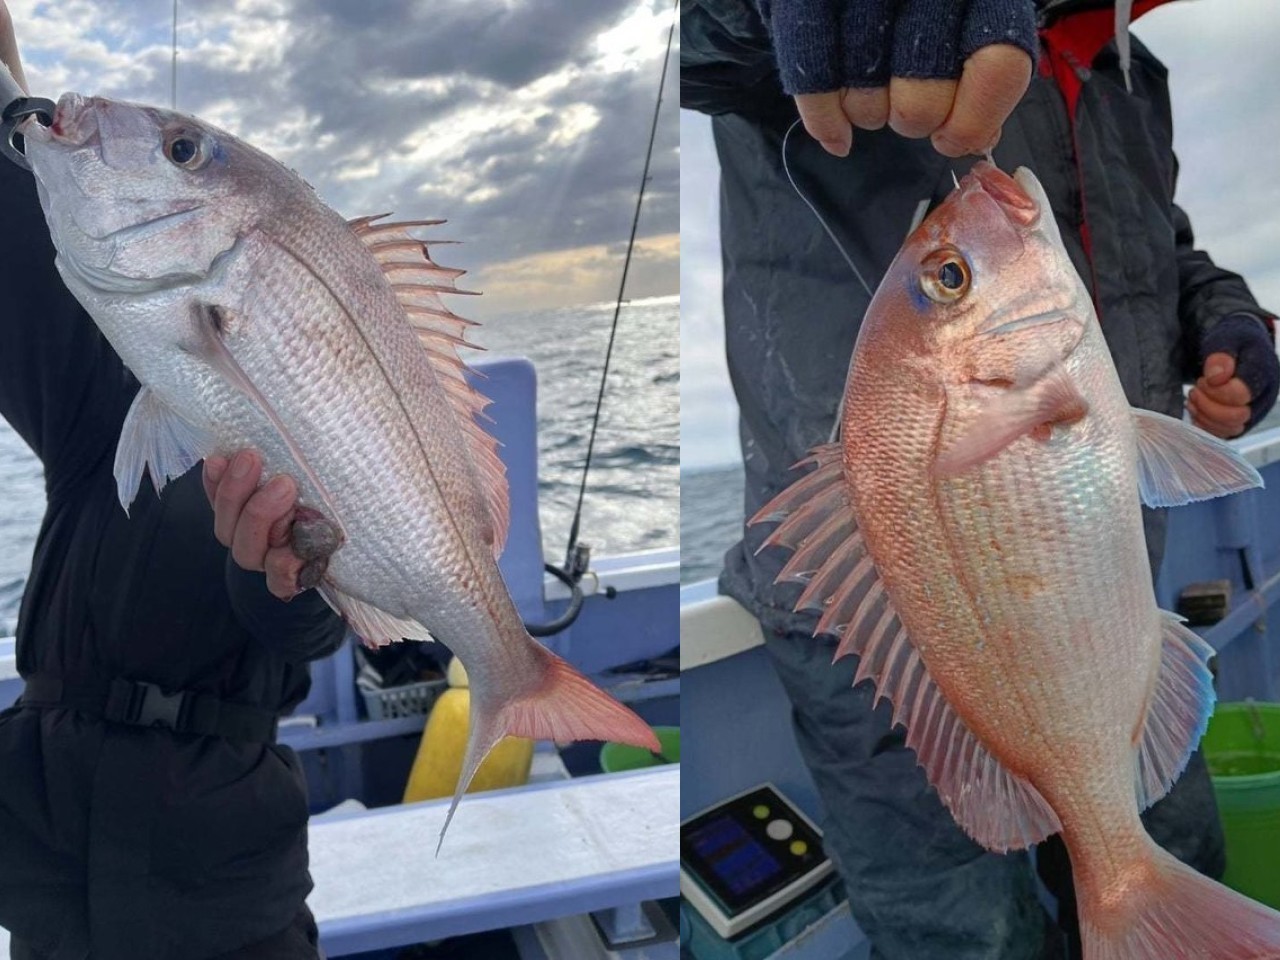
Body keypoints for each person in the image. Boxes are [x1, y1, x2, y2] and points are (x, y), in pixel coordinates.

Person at [682, 0, 1280, 957]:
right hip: (883, 615)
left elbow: (1156, 243)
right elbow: (704, 48)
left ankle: (1121, 875)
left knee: (1172, 847)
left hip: (1103, 593)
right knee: (961, 934)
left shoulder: (1127, 68)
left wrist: (1227, 320)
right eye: (953, 277)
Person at [0, 7, 346, 958]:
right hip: (50, 882)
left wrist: (284, 564)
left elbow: (308, 621)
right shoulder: (93, 405)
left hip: (225, 889)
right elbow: (20, 234)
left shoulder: (315, 419)